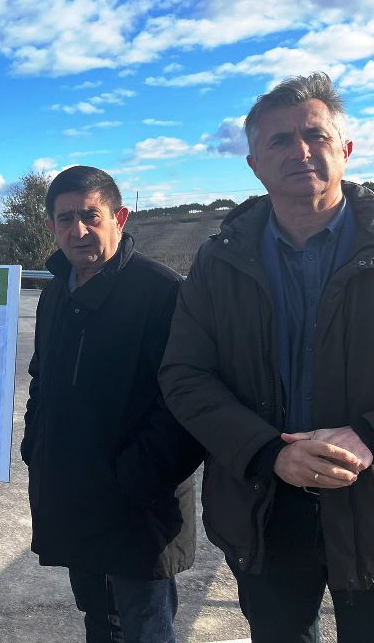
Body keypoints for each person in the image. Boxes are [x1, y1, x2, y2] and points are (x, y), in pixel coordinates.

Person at [160, 73, 374, 642]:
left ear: (346, 150)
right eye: (279, 141)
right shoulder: (219, 259)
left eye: (315, 134)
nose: (300, 150)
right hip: (265, 507)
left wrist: (368, 433)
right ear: (254, 163)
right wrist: (263, 452)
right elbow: (184, 375)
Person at [21, 166, 202, 643]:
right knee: (98, 620)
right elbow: (42, 376)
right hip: (75, 495)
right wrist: (34, 443)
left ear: (119, 217)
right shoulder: (56, 292)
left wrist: (135, 473)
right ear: (51, 226)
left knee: (145, 625)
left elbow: (185, 398)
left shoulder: (161, 292)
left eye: (90, 216)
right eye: (65, 219)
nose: (78, 231)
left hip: (140, 502)